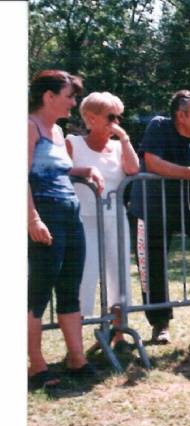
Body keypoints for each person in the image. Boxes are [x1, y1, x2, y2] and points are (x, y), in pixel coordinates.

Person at [128, 90, 190, 344]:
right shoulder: (159, 126)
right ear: (180, 115)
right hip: (150, 209)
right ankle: (160, 324)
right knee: (154, 267)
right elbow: (153, 163)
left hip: (185, 205)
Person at [27, 70, 105, 389]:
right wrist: (32, 219)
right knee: (40, 289)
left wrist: (85, 169)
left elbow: (57, 167)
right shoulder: (26, 127)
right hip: (44, 213)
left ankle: (77, 357)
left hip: (69, 213)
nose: (74, 102)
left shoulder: (58, 132)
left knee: (69, 286)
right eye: (69, 95)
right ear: (49, 96)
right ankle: (35, 363)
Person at [66, 92, 140, 345]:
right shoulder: (72, 143)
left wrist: (125, 139)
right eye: (110, 116)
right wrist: (85, 171)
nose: (116, 121)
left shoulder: (119, 147)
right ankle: (76, 343)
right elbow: (60, 170)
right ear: (91, 117)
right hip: (82, 219)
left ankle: (118, 332)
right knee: (84, 277)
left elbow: (133, 170)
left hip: (115, 219)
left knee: (118, 276)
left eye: (119, 116)